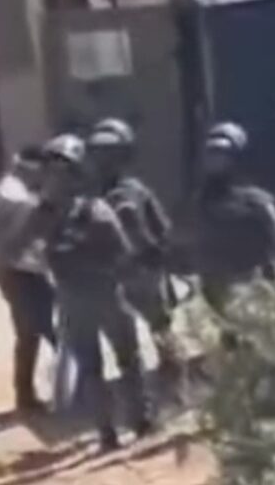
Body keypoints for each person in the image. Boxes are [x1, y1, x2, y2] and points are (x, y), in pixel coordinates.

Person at [33, 134, 151, 453]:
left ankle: (112, 432)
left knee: (96, 367)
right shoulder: (92, 210)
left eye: (58, 172)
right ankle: (134, 424)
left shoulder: (49, 215)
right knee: (122, 360)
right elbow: (124, 254)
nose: (53, 179)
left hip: (80, 299)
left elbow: (23, 248)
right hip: (99, 296)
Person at [86, 118, 181, 380]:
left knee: (157, 326)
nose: (103, 161)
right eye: (100, 154)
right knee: (128, 332)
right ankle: (138, 378)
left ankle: (169, 372)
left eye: (109, 154)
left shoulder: (133, 191)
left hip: (137, 269)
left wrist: (159, 254)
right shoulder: (91, 194)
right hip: (114, 272)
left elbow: (162, 228)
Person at [0, 145, 56, 414]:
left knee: (30, 332)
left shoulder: (5, 189)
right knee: (50, 328)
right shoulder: (17, 196)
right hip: (20, 271)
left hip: (14, 270)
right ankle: (76, 384)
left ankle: (26, 394)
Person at [194, 122, 275, 344]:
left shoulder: (257, 201)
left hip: (250, 283)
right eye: (211, 155)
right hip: (212, 285)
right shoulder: (200, 200)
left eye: (222, 155)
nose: (215, 162)